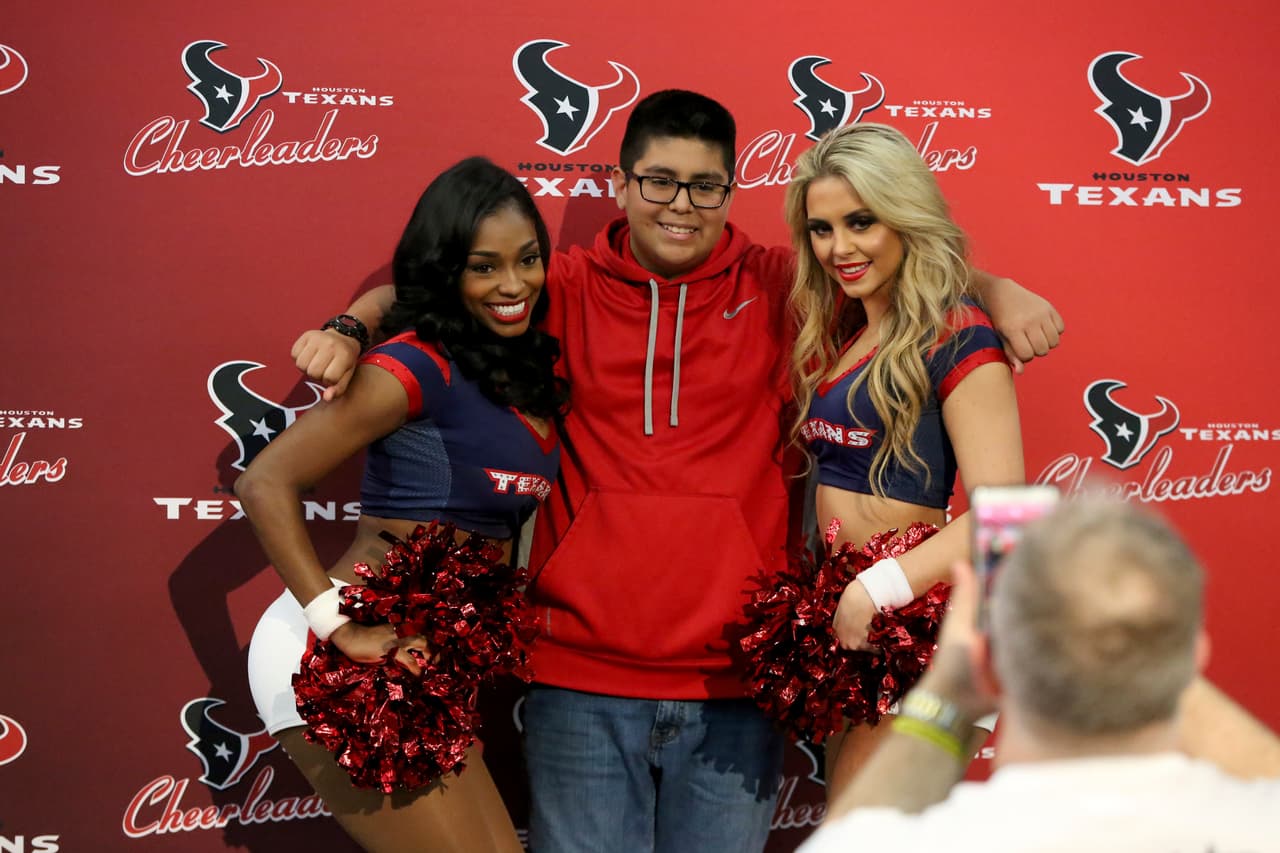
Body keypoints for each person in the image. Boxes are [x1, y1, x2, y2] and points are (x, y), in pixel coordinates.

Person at [290, 91, 1063, 853]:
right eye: (658, 181)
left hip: (739, 682)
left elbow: (914, 277)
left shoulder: (786, 287)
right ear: (621, 184)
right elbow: (434, 286)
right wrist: (351, 325)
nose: (680, 204)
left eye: (705, 185)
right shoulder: (557, 287)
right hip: (577, 677)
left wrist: (996, 290)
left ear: (731, 190)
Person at [236, 157, 568, 852]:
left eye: (528, 258)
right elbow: (263, 482)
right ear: (448, 271)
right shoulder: (414, 365)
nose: (514, 284)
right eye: (484, 267)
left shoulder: (509, 359)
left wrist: (355, 319)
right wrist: (338, 627)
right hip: (339, 658)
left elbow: (392, 295)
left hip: (423, 666)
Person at [802, 497, 1280, 852]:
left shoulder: (911, 841)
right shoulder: (1258, 826)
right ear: (1193, 659)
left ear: (991, 655)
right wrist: (1152, 657)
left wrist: (950, 691)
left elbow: (849, 832)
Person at [775, 122, 1022, 800]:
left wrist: (878, 588)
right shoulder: (854, 331)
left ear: (904, 214)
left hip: (929, 628)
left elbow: (1008, 517)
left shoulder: (956, 330)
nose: (839, 247)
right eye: (822, 229)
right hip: (866, 631)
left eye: (861, 221)